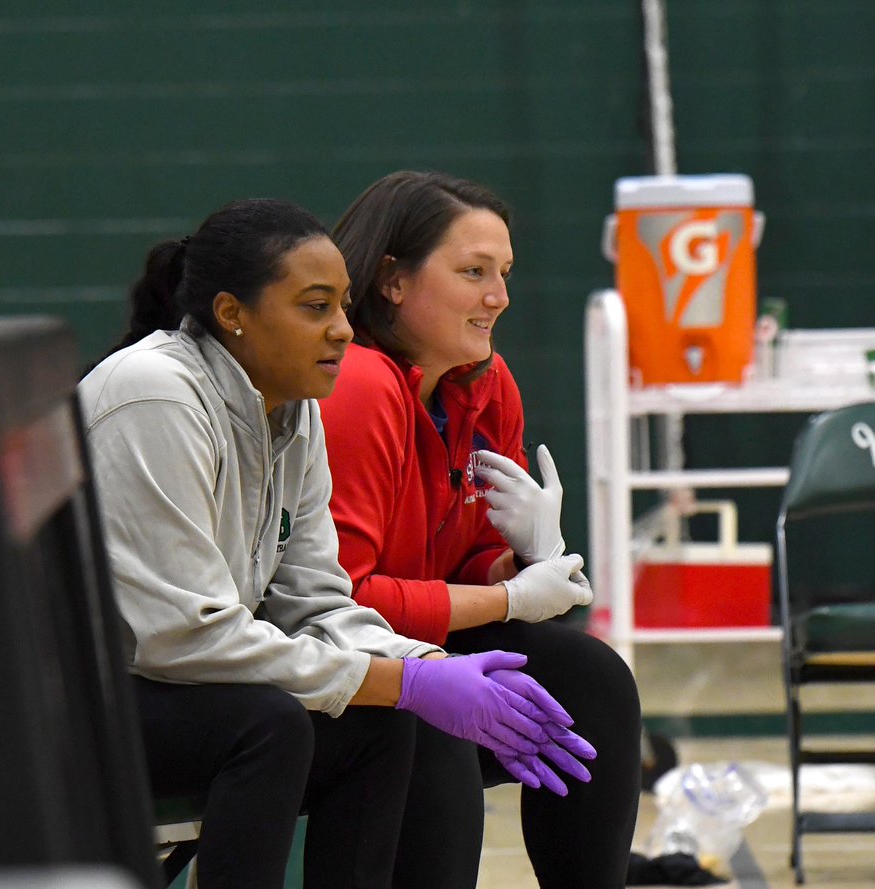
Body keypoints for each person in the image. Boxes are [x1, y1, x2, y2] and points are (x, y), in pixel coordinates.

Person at [77, 197, 596, 889]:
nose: (343, 331)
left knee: (385, 724)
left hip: (178, 689)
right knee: (271, 724)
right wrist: (407, 677)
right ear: (233, 314)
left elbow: (316, 601)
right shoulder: (155, 396)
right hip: (75, 706)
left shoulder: (291, 408)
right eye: (315, 307)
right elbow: (184, 638)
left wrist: (428, 665)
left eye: (344, 307)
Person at [321, 171, 643, 889]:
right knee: (432, 728)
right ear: (392, 281)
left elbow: (463, 562)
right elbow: (344, 602)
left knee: (591, 681)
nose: (498, 295)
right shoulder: (359, 384)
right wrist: (509, 600)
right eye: (473, 272)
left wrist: (515, 558)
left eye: (504, 272)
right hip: (333, 657)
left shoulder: (485, 383)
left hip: (423, 641)